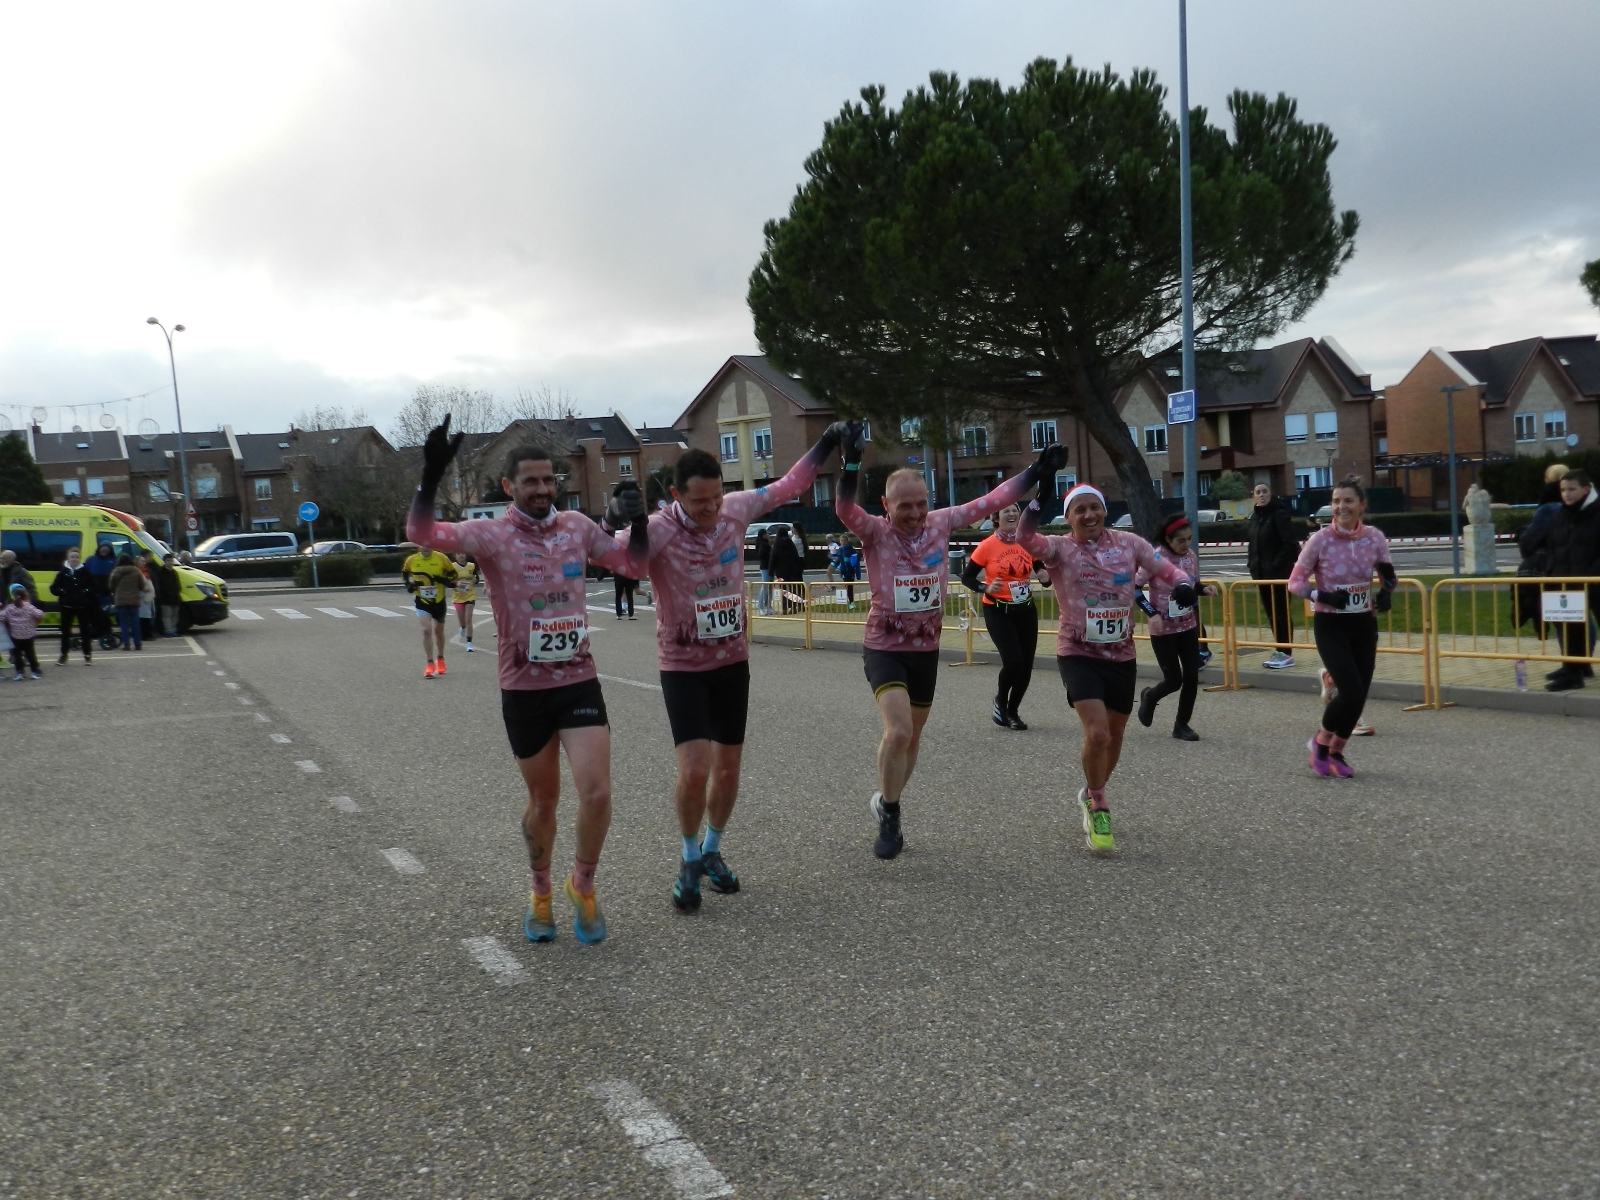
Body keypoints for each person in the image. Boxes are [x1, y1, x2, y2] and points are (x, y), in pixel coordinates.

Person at [407, 417, 650, 944]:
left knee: (599, 793)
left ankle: (582, 885)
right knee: (545, 802)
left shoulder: (578, 528)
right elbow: (422, 534)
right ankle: (540, 893)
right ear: (509, 488)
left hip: (579, 681)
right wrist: (430, 476)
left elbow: (634, 566)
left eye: (549, 481)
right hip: (524, 690)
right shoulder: (489, 536)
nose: (543, 490)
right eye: (531, 482)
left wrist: (641, 519)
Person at [616, 426, 847, 910]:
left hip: (731, 661)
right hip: (682, 665)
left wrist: (826, 442)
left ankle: (712, 850)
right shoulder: (659, 529)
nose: (711, 509)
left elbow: (790, 485)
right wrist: (631, 521)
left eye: (717, 498)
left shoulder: (735, 510)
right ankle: (687, 857)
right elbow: (625, 564)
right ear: (676, 495)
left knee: (729, 769)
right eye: (700, 501)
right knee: (695, 770)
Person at [839, 426, 1067, 859]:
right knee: (899, 728)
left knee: (914, 737)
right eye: (904, 506)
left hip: (925, 648)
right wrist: (850, 462)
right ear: (886, 506)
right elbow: (844, 505)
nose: (914, 513)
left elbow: (994, 500)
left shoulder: (940, 523)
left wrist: (1038, 469)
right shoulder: (874, 532)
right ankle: (890, 814)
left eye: (921, 504)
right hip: (885, 645)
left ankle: (888, 798)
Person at [1018, 488, 1196, 853]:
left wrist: (1182, 584)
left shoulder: (1129, 544)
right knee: (1097, 733)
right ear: (1068, 517)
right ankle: (1098, 803)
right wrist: (1040, 492)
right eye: (1079, 510)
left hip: (1121, 653)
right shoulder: (1058, 548)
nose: (1089, 515)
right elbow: (1024, 537)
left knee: (1115, 735)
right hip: (1078, 651)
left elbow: (1166, 568)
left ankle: (1092, 789)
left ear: (1104, 510)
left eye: (1095, 507)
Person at [1287, 476, 1397, 777]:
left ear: (1362, 505)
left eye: (1347, 500)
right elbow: (1294, 583)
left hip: (1363, 621)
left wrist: (1387, 591)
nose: (1340, 506)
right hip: (1330, 623)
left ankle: (1337, 751)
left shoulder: (1374, 537)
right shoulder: (1320, 540)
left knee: (1360, 694)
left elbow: (1387, 574)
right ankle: (1319, 745)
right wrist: (1321, 595)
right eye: (1336, 501)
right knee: (1349, 689)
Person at [961, 502, 1048, 730]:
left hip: (1025, 610)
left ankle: (1013, 712)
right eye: (1006, 511)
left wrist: (1043, 574)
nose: (1011, 513)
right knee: (1013, 661)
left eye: (1014, 510)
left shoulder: (1027, 542)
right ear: (996, 518)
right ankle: (1001, 698)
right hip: (998, 609)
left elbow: (1038, 566)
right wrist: (983, 588)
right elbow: (967, 577)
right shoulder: (987, 546)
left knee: (1026, 665)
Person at [1135, 515, 1219, 741]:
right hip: (1163, 630)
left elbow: (1191, 584)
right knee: (1174, 680)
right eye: (1181, 540)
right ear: (1168, 539)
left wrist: (1204, 589)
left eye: (1189, 539)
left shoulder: (1190, 556)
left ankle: (1181, 725)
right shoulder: (1155, 558)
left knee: (1191, 676)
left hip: (1188, 626)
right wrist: (1151, 614)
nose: (1186, 545)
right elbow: (1135, 588)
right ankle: (1150, 697)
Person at [1522, 468, 1600, 692]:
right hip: (1566, 580)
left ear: (1586, 489)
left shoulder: (1596, 512)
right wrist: (1552, 571)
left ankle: (1577, 668)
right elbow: (1555, 546)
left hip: (1595, 580)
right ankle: (1573, 670)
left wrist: (1591, 574)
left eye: (1572, 489)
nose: (1567, 494)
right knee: (1571, 628)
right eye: (1563, 490)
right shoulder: (1560, 515)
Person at [1247, 482, 1301, 669]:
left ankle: (1286, 652)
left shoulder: (1279, 514)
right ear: (1253, 496)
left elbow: (1289, 544)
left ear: (1271, 494)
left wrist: (1276, 566)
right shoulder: (1255, 517)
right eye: (1258, 492)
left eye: (1265, 491)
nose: (1262, 495)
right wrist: (1252, 566)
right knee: (1271, 614)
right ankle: (1279, 650)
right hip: (1261, 575)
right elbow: (1253, 544)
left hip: (1278, 575)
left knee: (1281, 613)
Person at [401, 542, 458, 678]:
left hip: (439, 601)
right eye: (422, 545)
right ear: (418, 547)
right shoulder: (412, 560)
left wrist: (443, 580)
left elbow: (453, 575)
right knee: (426, 630)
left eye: (428, 545)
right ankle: (430, 663)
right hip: (422, 600)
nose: (426, 548)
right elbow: (405, 573)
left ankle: (441, 658)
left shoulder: (441, 558)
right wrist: (409, 584)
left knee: (439, 632)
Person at [52, 546, 98, 664]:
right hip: (66, 606)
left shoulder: (85, 571)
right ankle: (63, 655)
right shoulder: (63, 572)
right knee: (65, 632)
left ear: (80, 558)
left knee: (85, 632)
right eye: (72, 557)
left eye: (77, 557)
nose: (74, 559)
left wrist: (85, 592)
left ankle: (87, 655)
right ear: (68, 558)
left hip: (82, 606)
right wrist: (63, 592)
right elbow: (54, 588)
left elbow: (93, 586)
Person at [3, 584, 44, 679]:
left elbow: (2, 616)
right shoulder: (29, 607)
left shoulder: (10, 608)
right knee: (30, 654)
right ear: (25, 596)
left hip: (16, 636)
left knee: (17, 655)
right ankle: (35, 671)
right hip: (29, 636)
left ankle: (20, 672)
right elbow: (40, 614)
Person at [108, 553, 145, 650]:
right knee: (135, 623)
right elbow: (142, 585)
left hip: (121, 600)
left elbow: (111, 586)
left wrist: (116, 590)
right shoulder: (137, 571)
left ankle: (126, 644)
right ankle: (138, 644)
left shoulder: (116, 571)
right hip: (134, 600)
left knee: (124, 623)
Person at [87, 542, 118, 649]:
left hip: (106, 596)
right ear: (99, 548)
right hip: (93, 595)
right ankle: (93, 635)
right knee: (93, 617)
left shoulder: (114, 561)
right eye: (103, 547)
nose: (104, 549)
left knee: (105, 618)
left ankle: (107, 637)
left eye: (107, 548)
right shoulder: (91, 560)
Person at [769, 522, 804, 614]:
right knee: (793, 589)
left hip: (781, 571)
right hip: (793, 569)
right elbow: (796, 556)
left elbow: (773, 559)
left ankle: (784, 608)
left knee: (784, 590)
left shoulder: (776, 545)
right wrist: (799, 568)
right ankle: (795, 606)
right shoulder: (790, 543)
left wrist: (771, 572)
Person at [450, 550, 480, 649]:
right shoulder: (452, 566)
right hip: (458, 596)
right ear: (456, 556)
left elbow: (476, 577)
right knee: (462, 621)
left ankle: (469, 643)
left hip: (470, 594)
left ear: (466, 555)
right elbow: (449, 580)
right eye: (459, 554)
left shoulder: (472, 566)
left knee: (469, 618)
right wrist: (457, 583)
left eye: (463, 553)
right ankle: (462, 627)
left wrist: (473, 580)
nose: (461, 556)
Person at [155, 552, 183, 637]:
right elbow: (158, 585)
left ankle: (174, 630)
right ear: (164, 561)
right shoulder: (160, 572)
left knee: (175, 615)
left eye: (171, 560)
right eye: (168, 560)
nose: (170, 562)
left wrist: (177, 590)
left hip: (175, 597)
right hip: (165, 598)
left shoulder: (174, 572)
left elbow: (178, 584)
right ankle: (168, 631)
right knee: (167, 615)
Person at [754, 528, 774, 615]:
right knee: (765, 588)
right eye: (767, 534)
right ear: (764, 535)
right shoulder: (763, 545)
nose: (769, 535)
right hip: (765, 568)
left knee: (769, 588)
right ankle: (761, 607)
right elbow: (760, 555)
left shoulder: (765, 544)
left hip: (770, 568)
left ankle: (769, 607)